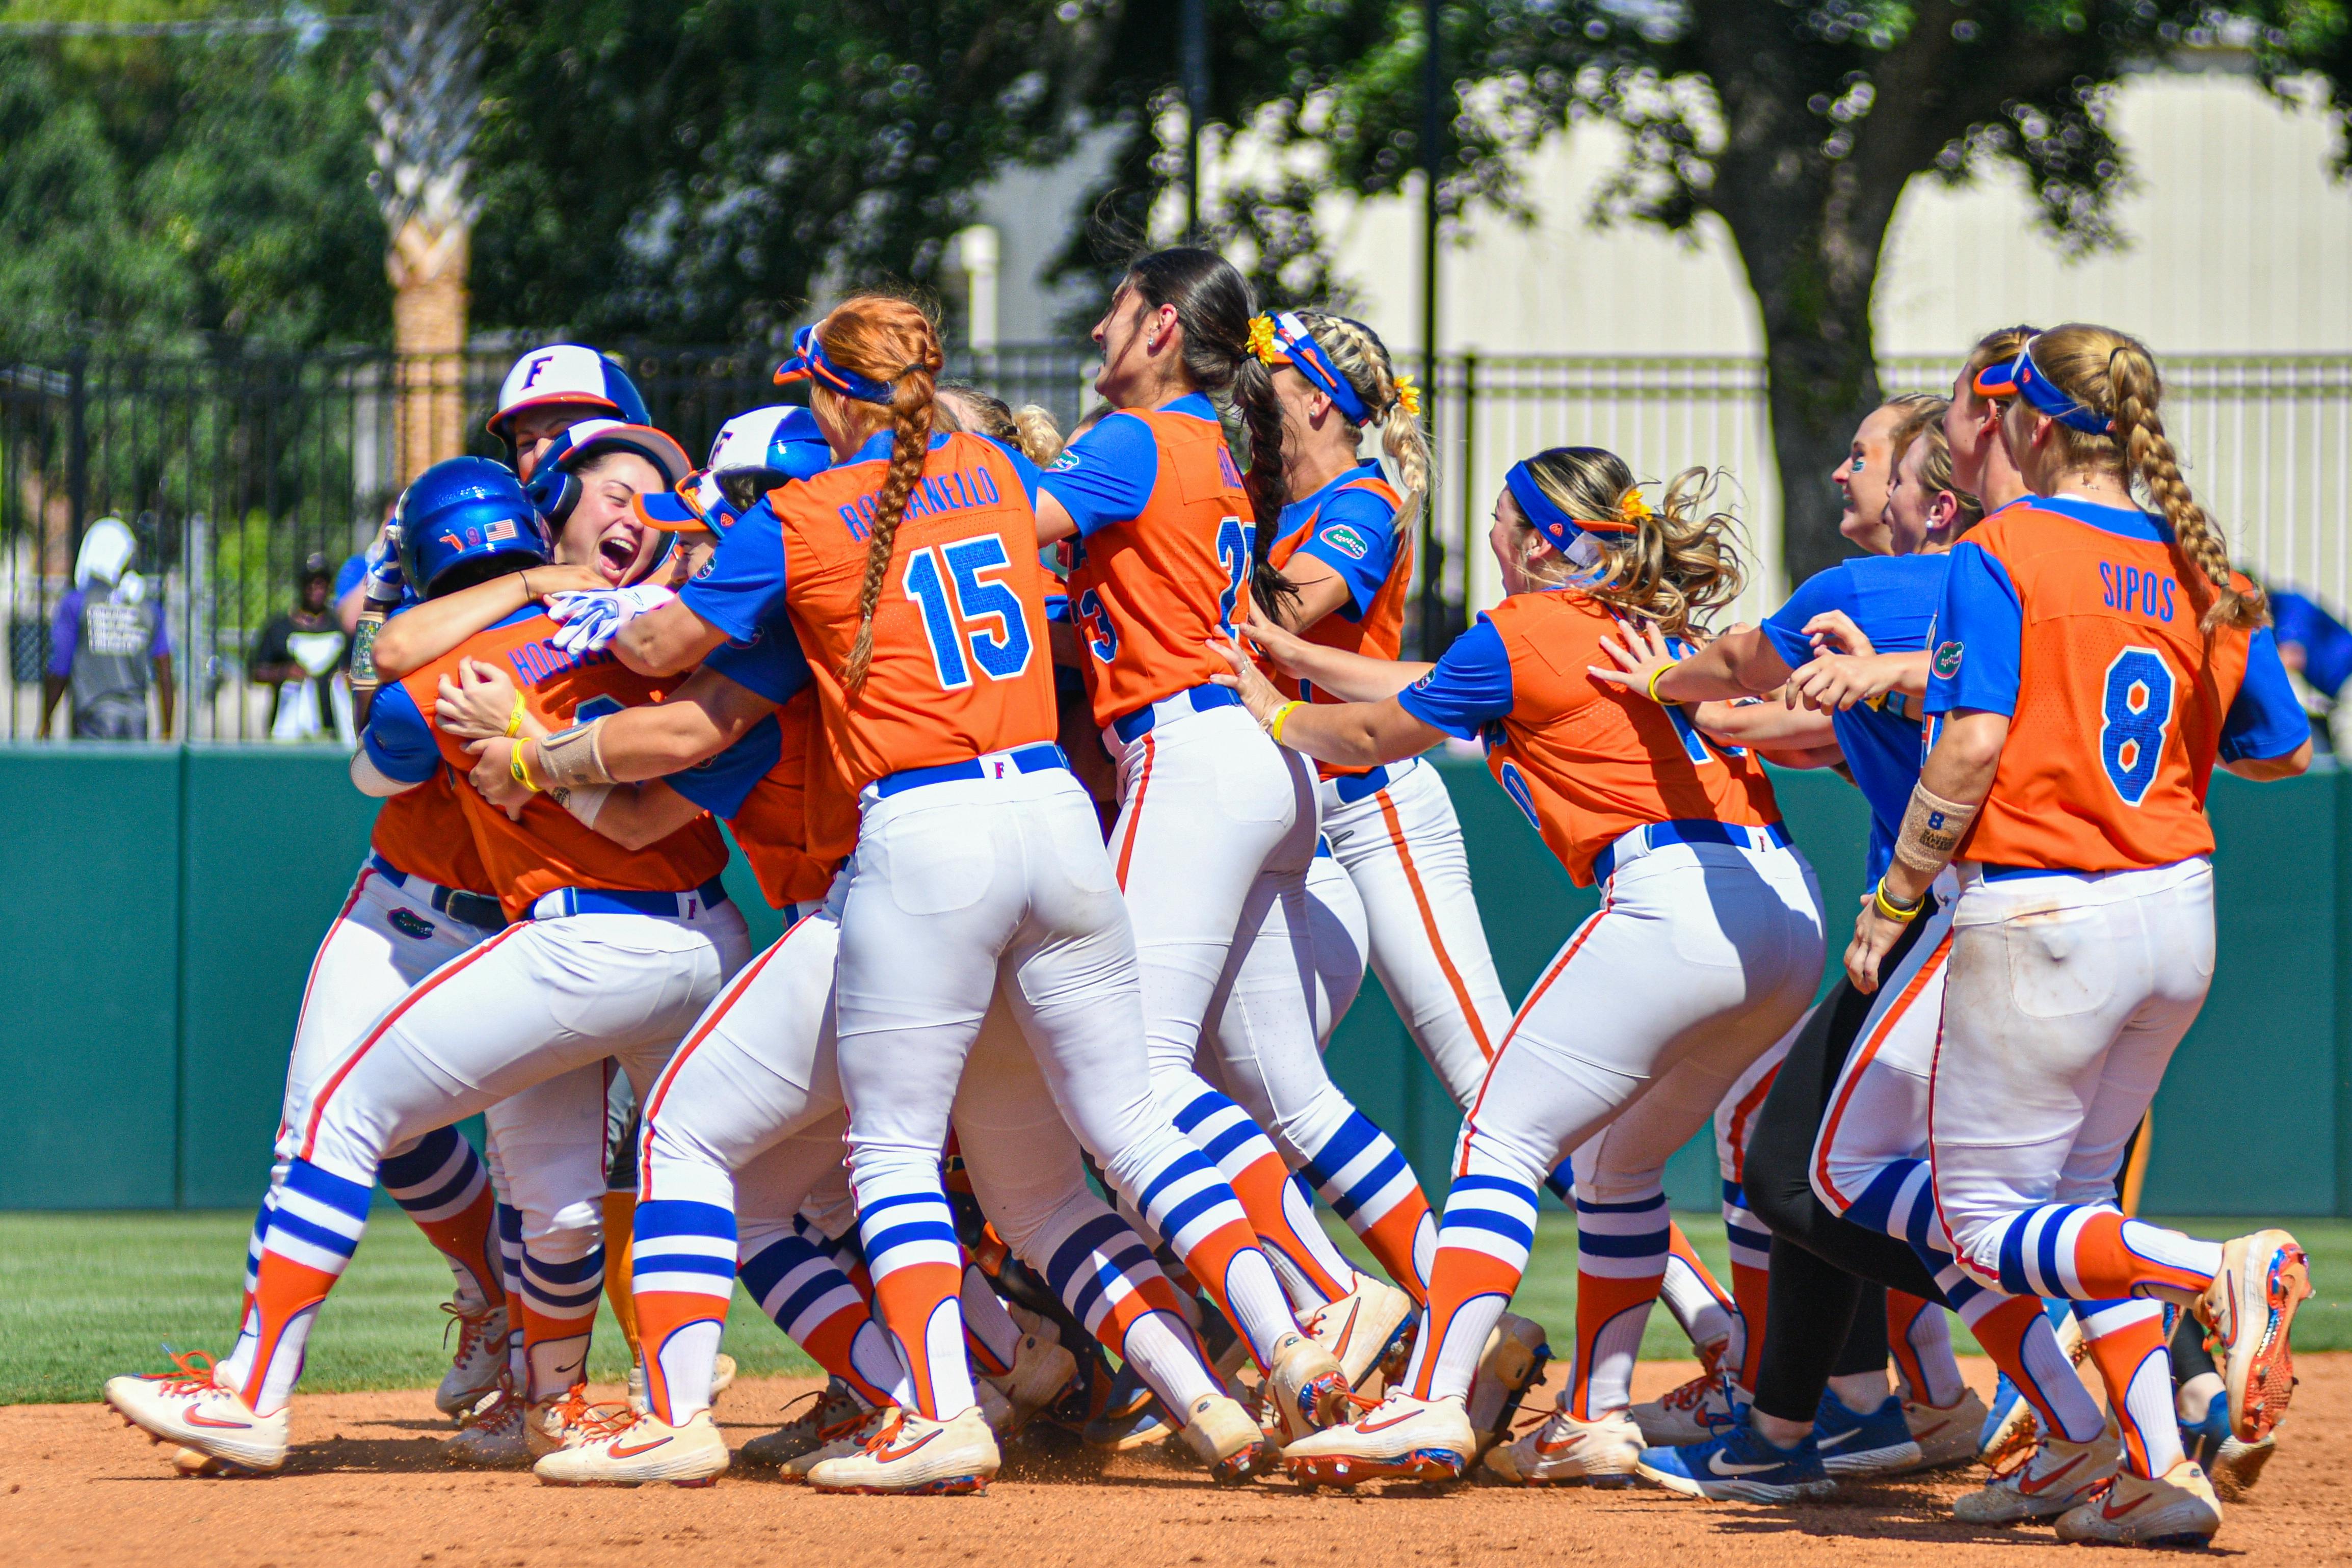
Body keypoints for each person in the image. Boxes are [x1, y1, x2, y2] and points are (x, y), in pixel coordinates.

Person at [552, 294, 1345, 1494]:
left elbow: (667, 657)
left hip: (927, 838)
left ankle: (925, 1408)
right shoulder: (980, 466)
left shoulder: (802, 512)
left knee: (861, 1149)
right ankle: (1286, 1343)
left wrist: (574, 636)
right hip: (1055, 820)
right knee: (1124, 1120)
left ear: (832, 395)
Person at [1221, 446, 1825, 1487]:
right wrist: (1290, 652)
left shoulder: (1527, 628)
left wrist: (1269, 708)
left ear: (1543, 535)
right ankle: (1595, 1415)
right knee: (1616, 1165)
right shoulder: (1635, 628)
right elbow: (1418, 681)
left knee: (1498, 1132)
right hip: (1784, 912)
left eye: (1505, 516)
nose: (1494, 530)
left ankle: (1434, 1400)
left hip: (1675, 900)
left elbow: (1374, 729)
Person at [1840, 323, 2314, 1546]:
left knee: (1982, 1222)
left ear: (2030, 424)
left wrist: (1894, 897)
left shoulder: (2003, 546)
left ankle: (2218, 1271)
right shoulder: (2199, 560)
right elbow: (2282, 750)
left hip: (2046, 905)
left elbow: (1970, 745)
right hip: (2176, 907)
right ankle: (2153, 1467)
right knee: (2075, 1200)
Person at [1033, 250, 1441, 1372]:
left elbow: (989, 537)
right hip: (1261, 755)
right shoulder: (1218, 443)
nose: (1101, 327)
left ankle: (1327, 1294)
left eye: (1117, 306)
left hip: (1190, 748)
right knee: (1279, 1082)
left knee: (1136, 1069)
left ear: (1163, 325)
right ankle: (1453, 1311)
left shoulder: (1130, 435)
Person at [41, 517, 173, 741]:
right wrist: (167, 730)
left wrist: (46, 719)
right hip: (137, 720)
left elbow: (60, 667)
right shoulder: (148, 608)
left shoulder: (77, 604)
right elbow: (165, 671)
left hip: (93, 718)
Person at [249, 553, 353, 742]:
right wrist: (284, 672)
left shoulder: (339, 629)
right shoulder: (279, 628)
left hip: (332, 732)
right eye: (311, 583)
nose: (317, 589)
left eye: (322, 583)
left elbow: (352, 670)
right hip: (288, 730)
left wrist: (345, 679)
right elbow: (256, 672)